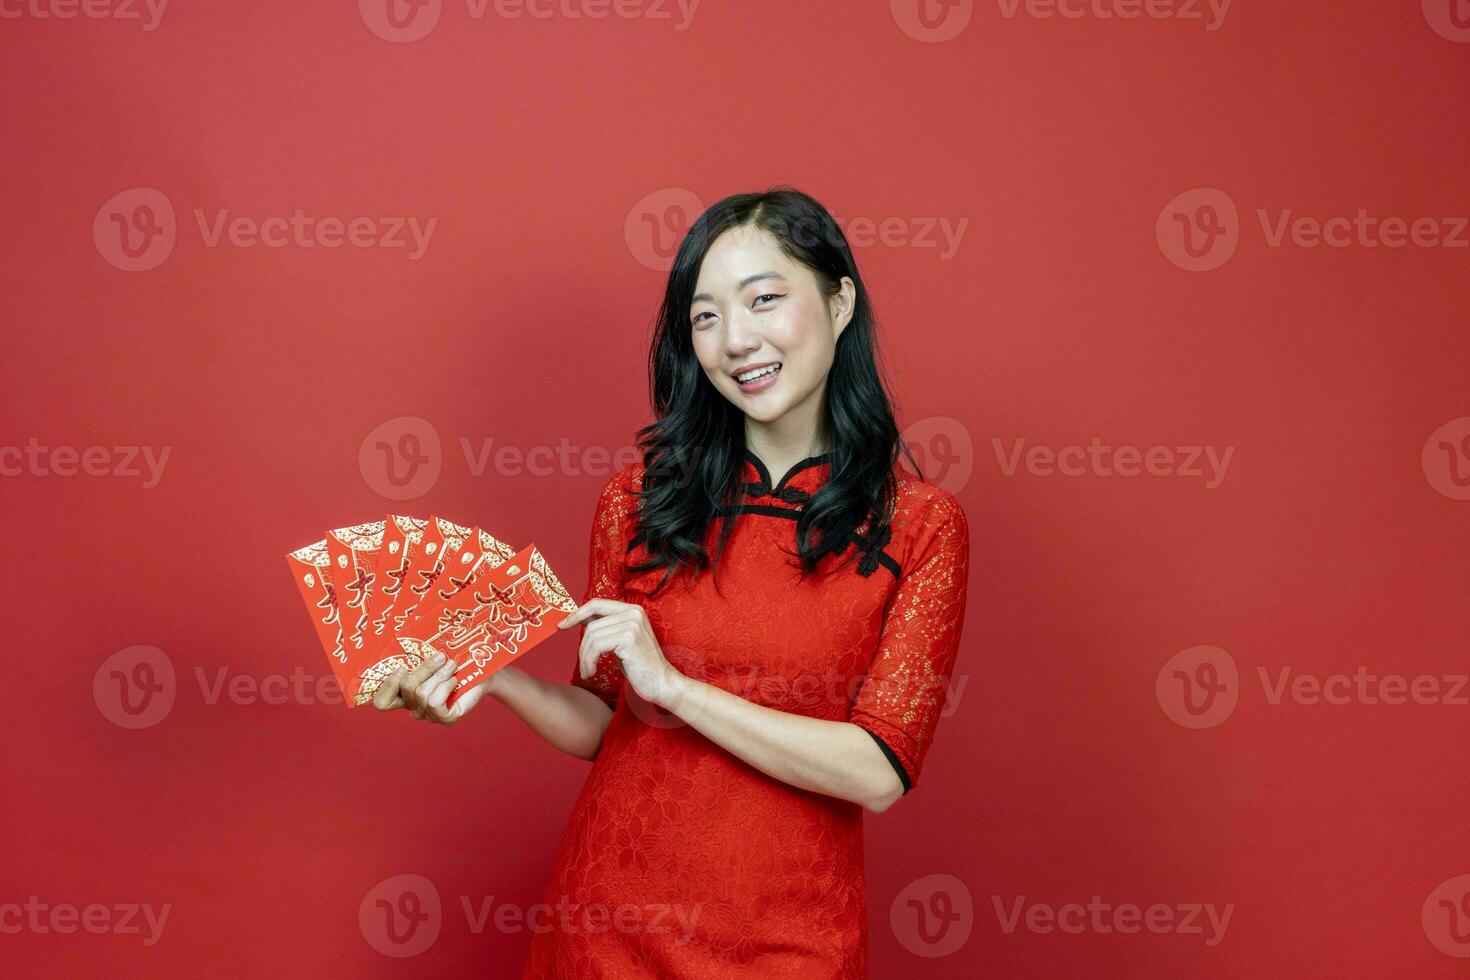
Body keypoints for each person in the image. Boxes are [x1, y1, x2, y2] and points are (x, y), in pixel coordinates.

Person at [372, 187, 971, 978]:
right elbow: (609, 720)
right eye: (706, 316)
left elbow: (878, 769)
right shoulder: (638, 500)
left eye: (764, 299)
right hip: (606, 928)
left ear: (839, 301)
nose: (736, 340)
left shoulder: (920, 526)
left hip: (789, 943)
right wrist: (498, 682)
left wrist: (681, 690)